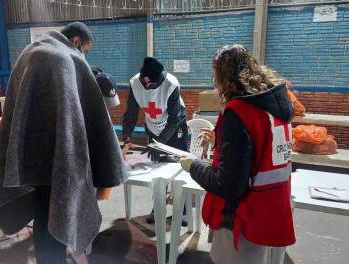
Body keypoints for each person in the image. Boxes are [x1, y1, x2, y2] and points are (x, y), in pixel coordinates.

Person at [0, 21, 127, 264]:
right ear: (76, 42)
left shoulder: (28, 53)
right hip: (61, 159)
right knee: (61, 210)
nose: (83, 56)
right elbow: (89, 119)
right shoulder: (68, 58)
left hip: (31, 158)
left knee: (43, 216)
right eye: (85, 51)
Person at [180, 44, 296, 264]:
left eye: (214, 75)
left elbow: (228, 184)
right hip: (270, 208)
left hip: (242, 217)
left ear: (223, 76)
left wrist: (193, 165)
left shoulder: (238, 111)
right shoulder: (272, 105)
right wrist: (223, 142)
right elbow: (263, 148)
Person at [121, 57, 188, 225]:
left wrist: (158, 143)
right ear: (145, 80)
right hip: (153, 127)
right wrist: (127, 137)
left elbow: (174, 119)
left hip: (175, 128)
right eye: (151, 85)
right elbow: (131, 113)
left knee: (180, 167)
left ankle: (183, 211)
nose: (154, 87)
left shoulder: (171, 84)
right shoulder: (135, 84)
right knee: (157, 169)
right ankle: (157, 206)